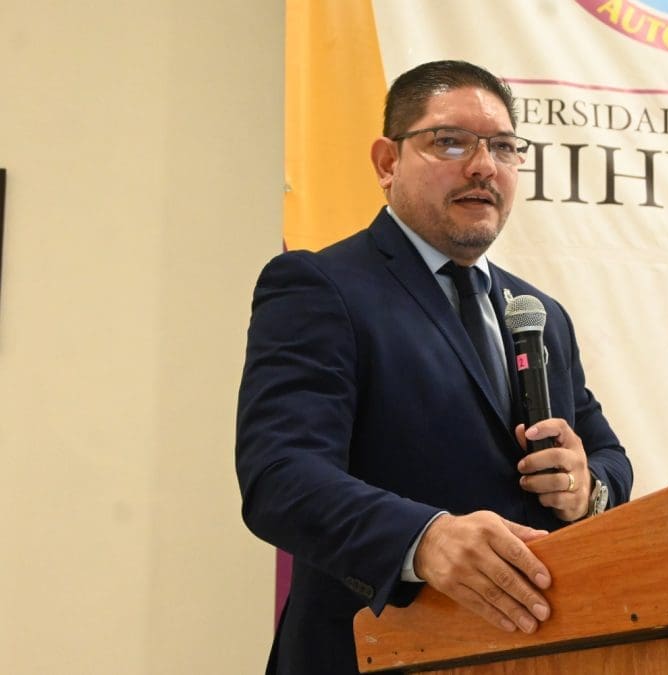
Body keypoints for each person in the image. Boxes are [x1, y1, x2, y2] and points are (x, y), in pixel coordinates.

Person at [236, 60, 633, 674]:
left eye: (503, 147)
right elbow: (281, 477)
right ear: (387, 162)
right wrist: (425, 539)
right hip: (369, 653)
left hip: (535, 655)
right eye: (451, 142)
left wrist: (586, 488)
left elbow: (609, 457)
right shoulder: (321, 286)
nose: (484, 166)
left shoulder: (538, 313)